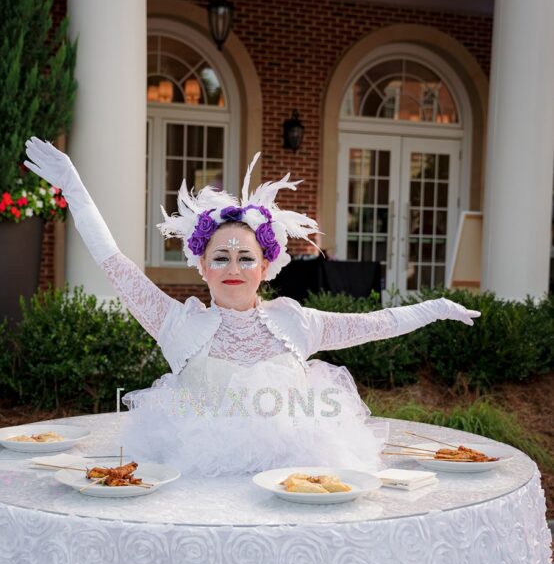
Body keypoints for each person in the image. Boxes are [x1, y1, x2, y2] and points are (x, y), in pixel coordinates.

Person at [24, 137, 480, 477]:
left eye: (246, 258)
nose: (233, 268)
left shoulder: (294, 322)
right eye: (220, 257)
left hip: (293, 479)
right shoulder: (177, 323)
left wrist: (433, 307)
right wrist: (75, 191)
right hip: (196, 478)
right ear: (201, 265)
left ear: (266, 266)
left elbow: (373, 322)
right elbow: (115, 265)